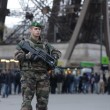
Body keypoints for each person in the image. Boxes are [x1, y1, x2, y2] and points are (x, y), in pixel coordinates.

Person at [14, 21, 61, 110]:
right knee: (26, 104)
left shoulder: (46, 44)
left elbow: (57, 52)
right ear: (31, 30)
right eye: (35, 29)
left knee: (43, 104)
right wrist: (28, 56)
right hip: (28, 76)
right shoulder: (24, 43)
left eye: (39, 29)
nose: (38, 31)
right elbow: (17, 55)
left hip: (43, 77)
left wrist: (54, 56)